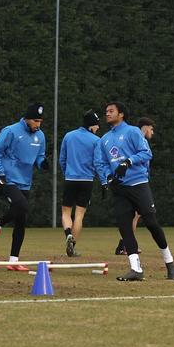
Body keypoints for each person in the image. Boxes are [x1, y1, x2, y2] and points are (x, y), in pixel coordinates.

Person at [94, 102, 174, 281]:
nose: (107, 114)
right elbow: (101, 163)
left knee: (151, 223)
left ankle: (169, 261)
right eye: (106, 111)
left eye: (111, 111)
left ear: (121, 114)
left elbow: (146, 153)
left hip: (138, 184)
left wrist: (128, 162)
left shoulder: (132, 132)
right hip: (119, 189)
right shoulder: (104, 139)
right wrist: (107, 177)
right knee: (125, 227)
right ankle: (136, 269)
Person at [0, 102, 48, 271]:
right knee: (21, 205)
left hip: (25, 182)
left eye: (40, 121)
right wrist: (0, 174)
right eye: (35, 121)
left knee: (21, 220)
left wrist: (42, 163)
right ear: (27, 119)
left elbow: (39, 156)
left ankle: (13, 261)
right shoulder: (10, 131)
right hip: (6, 179)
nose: (38, 124)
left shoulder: (40, 136)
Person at [59, 109, 101, 257]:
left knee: (66, 212)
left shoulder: (68, 136)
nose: (97, 128)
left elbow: (62, 159)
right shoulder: (96, 141)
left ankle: (68, 235)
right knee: (79, 215)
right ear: (91, 126)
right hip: (87, 180)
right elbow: (98, 162)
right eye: (96, 126)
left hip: (70, 179)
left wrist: (67, 173)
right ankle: (73, 245)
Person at [116, 117, 156, 254]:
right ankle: (125, 245)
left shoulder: (133, 137)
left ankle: (123, 245)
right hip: (136, 183)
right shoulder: (139, 139)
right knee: (135, 216)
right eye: (151, 129)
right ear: (145, 128)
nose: (152, 132)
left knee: (134, 216)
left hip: (135, 182)